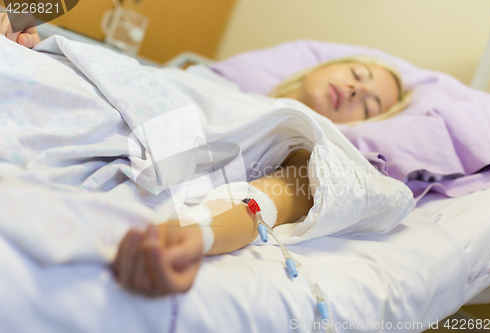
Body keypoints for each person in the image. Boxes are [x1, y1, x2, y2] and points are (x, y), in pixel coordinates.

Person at [0, 13, 409, 295]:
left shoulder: (303, 133)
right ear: (319, 69)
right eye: (358, 75)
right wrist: (28, 48)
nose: (357, 90)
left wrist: (200, 234)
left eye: (370, 105)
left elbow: (279, 194)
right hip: (81, 86)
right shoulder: (200, 79)